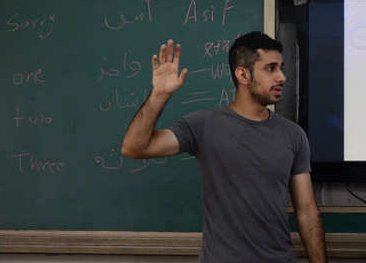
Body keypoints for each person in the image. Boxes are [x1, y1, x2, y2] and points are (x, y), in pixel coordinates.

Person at [122, 32, 327, 263]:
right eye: (271, 69)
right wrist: (159, 95)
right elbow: (134, 148)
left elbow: (307, 211)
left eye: (281, 68)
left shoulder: (293, 135)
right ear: (243, 74)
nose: (282, 77)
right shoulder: (203, 125)